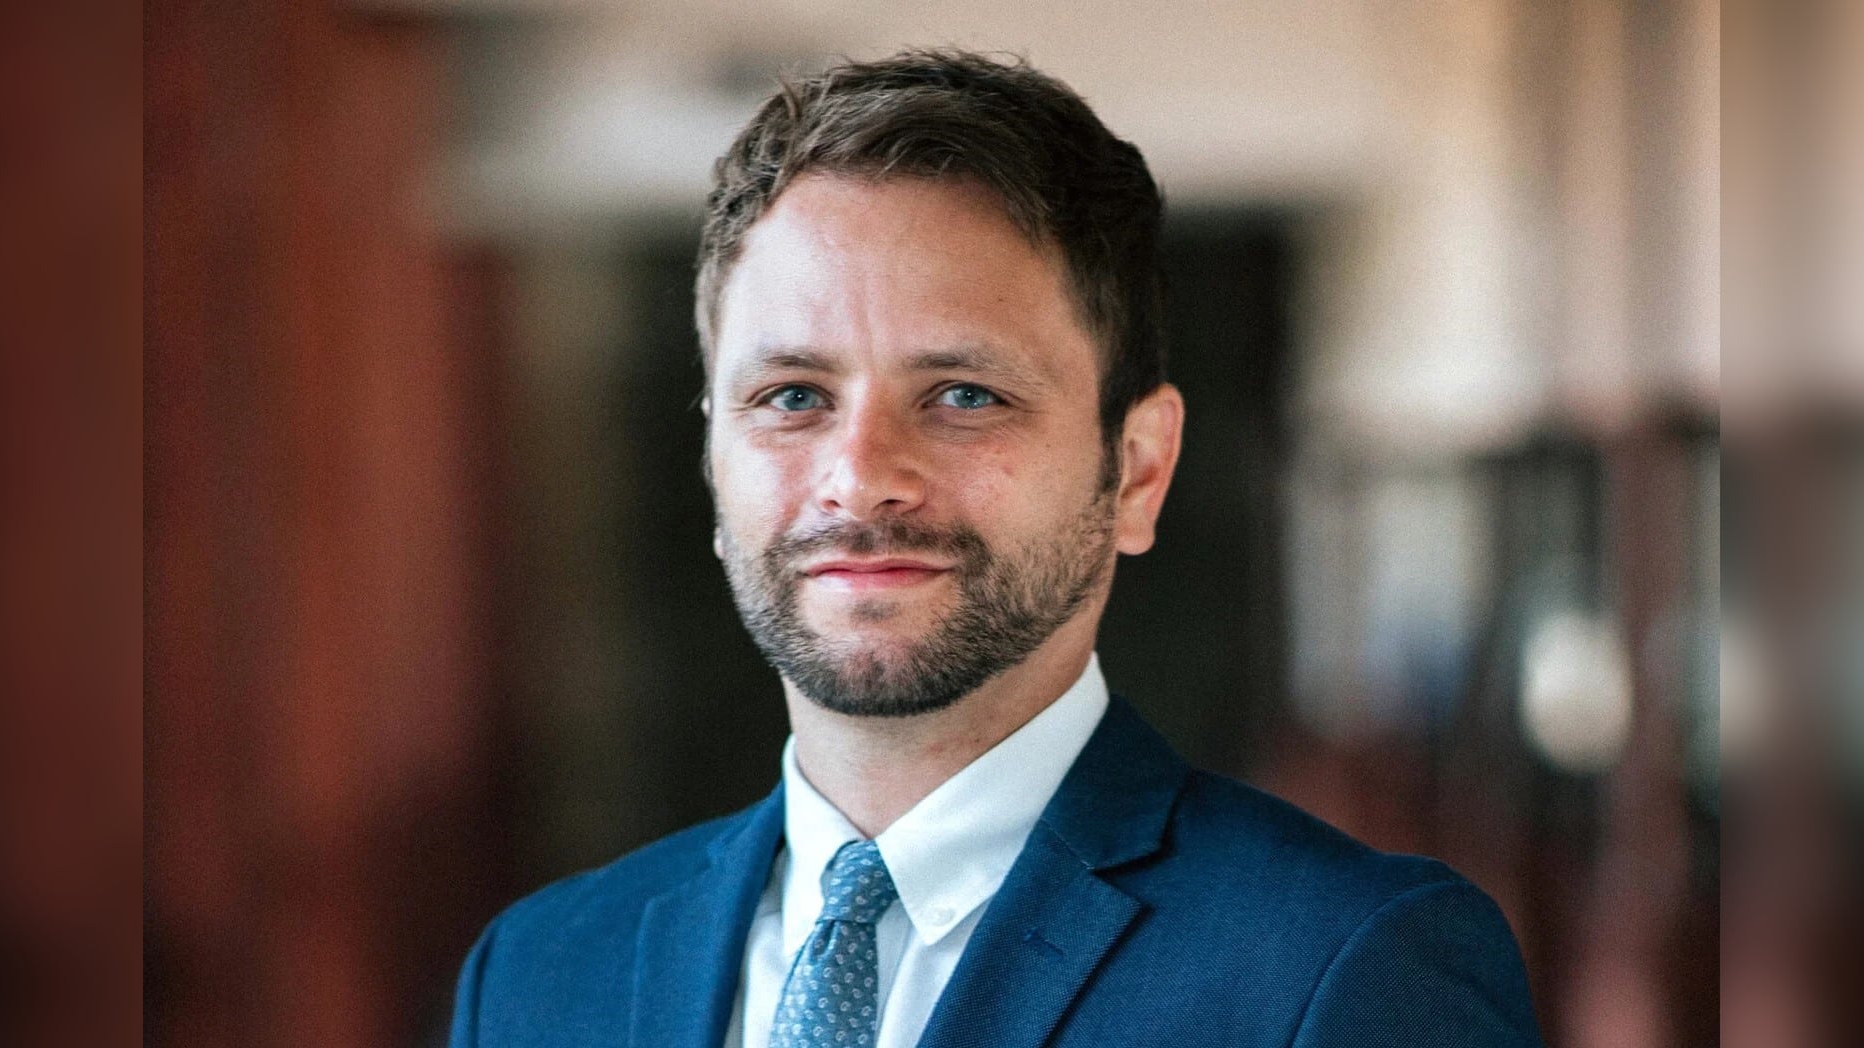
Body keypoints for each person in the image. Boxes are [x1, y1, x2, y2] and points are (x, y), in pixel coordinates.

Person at [448, 50, 1545, 1048]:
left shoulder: (1347, 967)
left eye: (964, 394)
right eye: (792, 396)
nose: (859, 475)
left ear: (1137, 470)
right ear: (713, 457)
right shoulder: (539, 973)